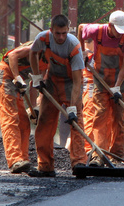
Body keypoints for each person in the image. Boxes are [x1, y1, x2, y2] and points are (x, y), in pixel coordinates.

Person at [28, 14, 87, 177]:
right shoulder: (42, 38)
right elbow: (33, 53)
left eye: (64, 33)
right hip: (52, 83)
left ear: (68, 30)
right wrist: (37, 77)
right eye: (57, 33)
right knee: (44, 123)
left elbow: (77, 82)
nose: (61, 37)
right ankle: (45, 166)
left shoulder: (74, 46)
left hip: (70, 85)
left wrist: (73, 107)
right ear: (51, 30)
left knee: (76, 123)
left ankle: (79, 163)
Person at [77, 10, 124, 166]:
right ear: (109, 25)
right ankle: (100, 155)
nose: (119, 35)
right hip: (100, 77)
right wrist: (81, 51)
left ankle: (117, 155)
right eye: (116, 31)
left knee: (119, 117)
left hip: (120, 79)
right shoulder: (97, 30)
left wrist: (117, 87)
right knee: (100, 115)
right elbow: (81, 28)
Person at [0, 42, 47, 174]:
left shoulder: (48, 63)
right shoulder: (37, 48)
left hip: (19, 82)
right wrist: (17, 77)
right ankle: (14, 160)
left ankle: (23, 160)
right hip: (5, 75)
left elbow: (36, 84)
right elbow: (12, 55)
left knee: (24, 122)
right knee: (11, 117)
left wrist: (34, 109)